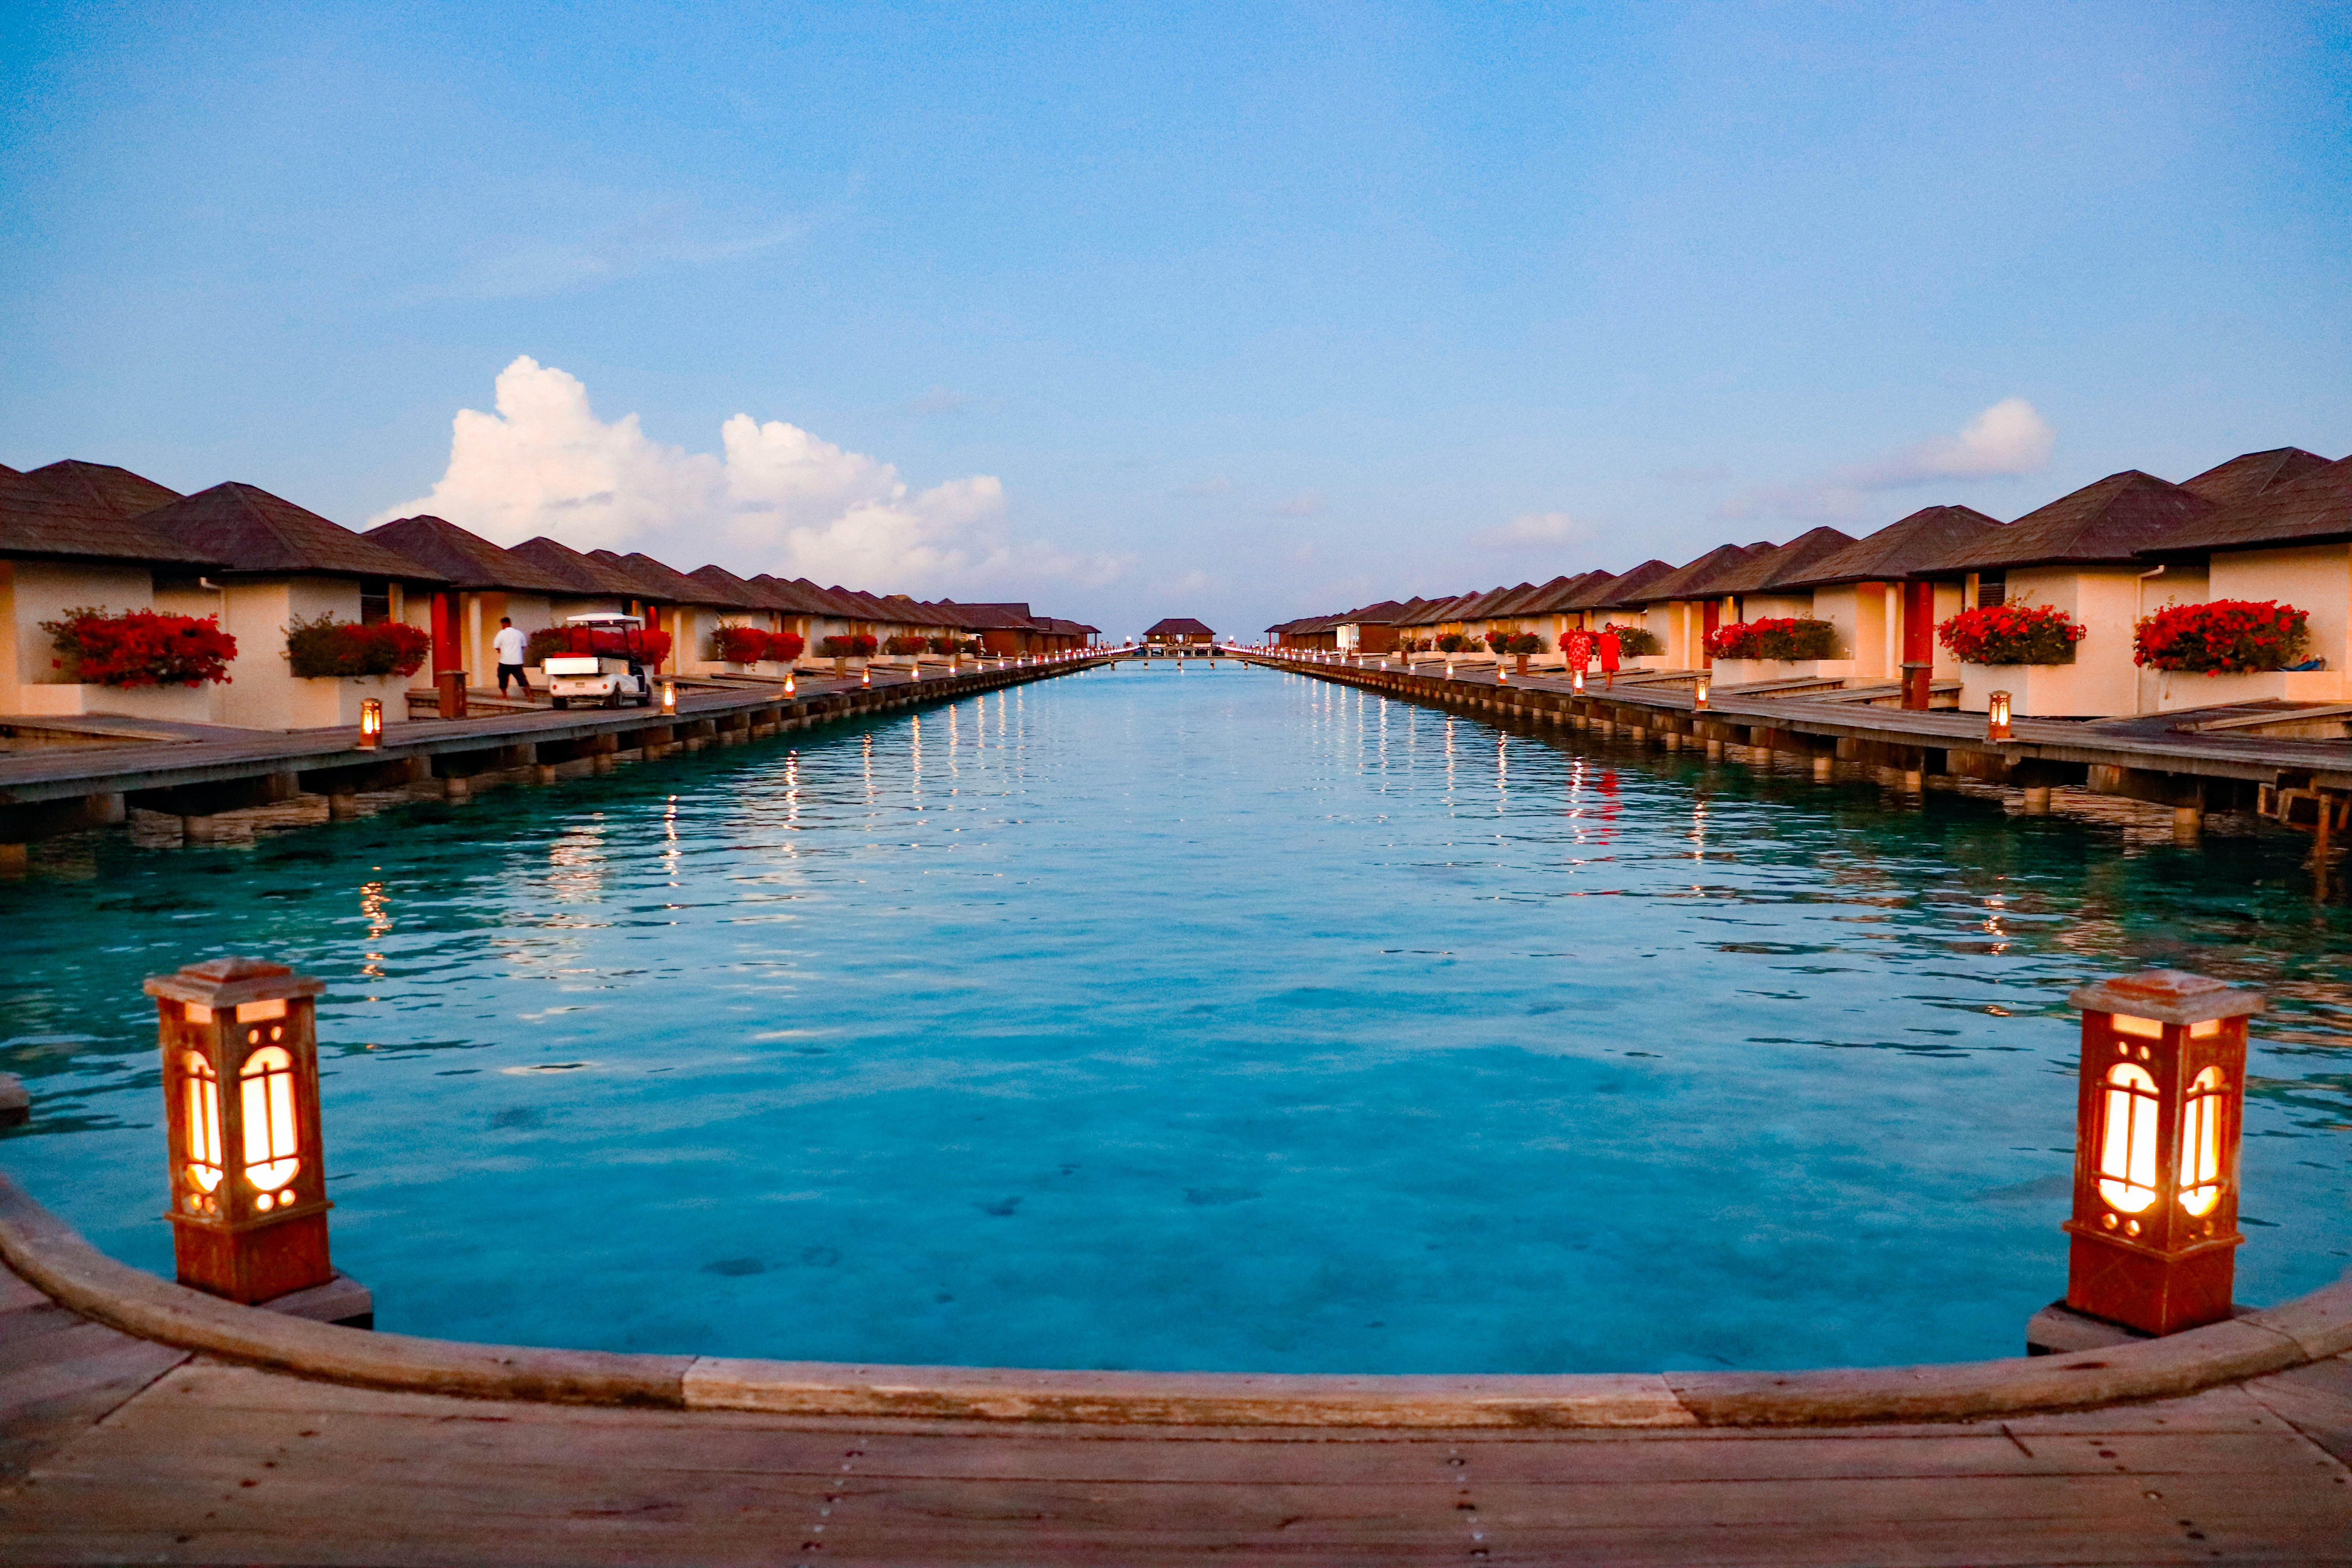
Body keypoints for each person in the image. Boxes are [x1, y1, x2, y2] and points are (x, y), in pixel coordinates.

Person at [492, 617, 531, 699]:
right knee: (522, 679)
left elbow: (496, 646)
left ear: (503, 624)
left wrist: (500, 651)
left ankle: (505, 695)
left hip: (505, 662)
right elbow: (523, 646)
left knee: (502, 679)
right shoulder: (519, 633)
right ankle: (530, 696)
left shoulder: (501, 633)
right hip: (517, 662)